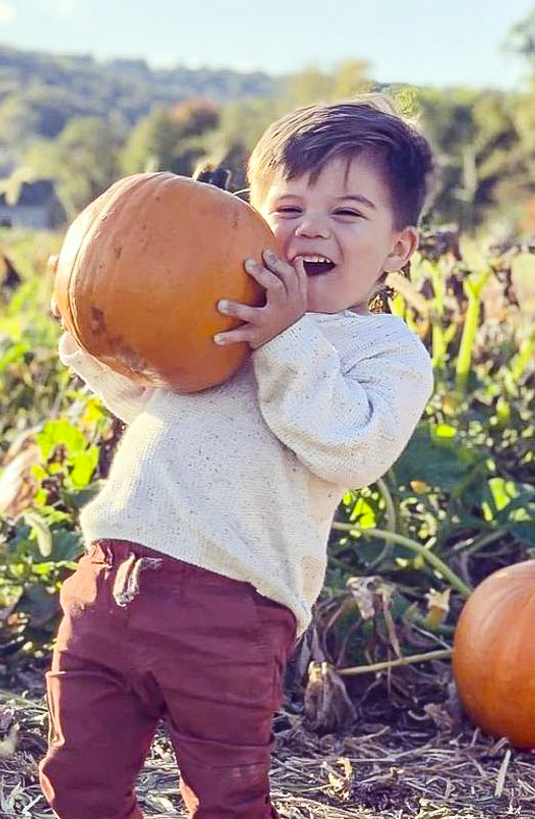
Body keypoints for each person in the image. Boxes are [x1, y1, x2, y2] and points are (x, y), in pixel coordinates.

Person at [39, 93, 436, 819]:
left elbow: (351, 448)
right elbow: (151, 399)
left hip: (231, 611)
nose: (310, 228)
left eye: (347, 213)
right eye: (288, 208)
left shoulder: (383, 352)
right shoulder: (215, 303)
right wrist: (87, 322)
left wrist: (284, 339)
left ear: (398, 248)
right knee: (78, 780)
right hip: (111, 577)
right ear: (252, 218)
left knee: (227, 795)